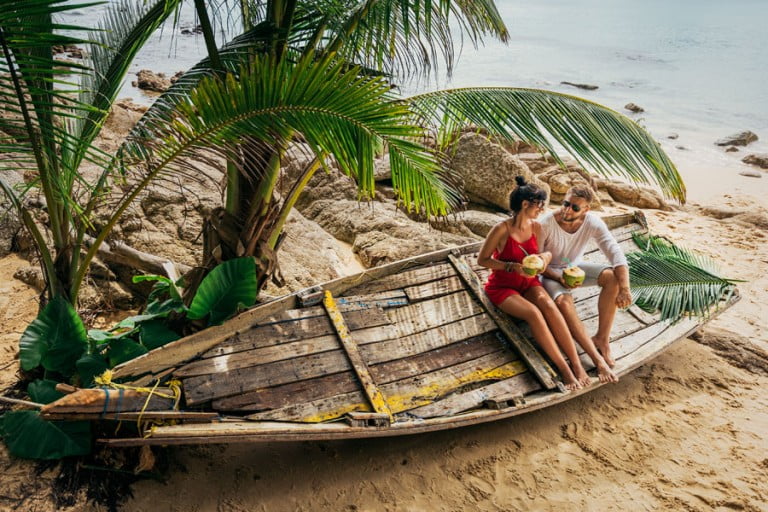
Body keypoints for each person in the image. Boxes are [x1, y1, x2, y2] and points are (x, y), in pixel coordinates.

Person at [477, 176, 591, 391]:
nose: (542, 209)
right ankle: (565, 370)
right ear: (525, 204)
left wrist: (545, 260)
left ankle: (576, 364)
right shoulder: (501, 229)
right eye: (539, 205)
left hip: (529, 282)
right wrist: (511, 266)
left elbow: (540, 256)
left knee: (549, 305)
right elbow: (482, 260)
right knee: (534, 314)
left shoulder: (537, 228)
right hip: (503, 287)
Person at [538, 185, 631, 376]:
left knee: (612, 278)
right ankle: (592, 357)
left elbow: (615, 252)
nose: (567, 210)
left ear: (586, 209)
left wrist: (625, 288)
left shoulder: (593, 223)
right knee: (564, 303)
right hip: (549, 272)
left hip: (573, 267)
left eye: (574, 207)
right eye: (566, 204)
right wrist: (558, 278)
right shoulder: (545, 223)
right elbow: (537, 261)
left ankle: (602, 339)